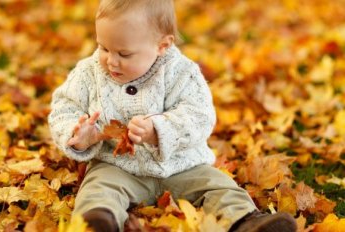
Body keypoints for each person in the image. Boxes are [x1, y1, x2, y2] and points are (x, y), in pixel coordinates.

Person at [48, 0, 297, 231]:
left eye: (124, 54)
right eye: (103, 47)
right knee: (98, 188)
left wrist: (159, 129)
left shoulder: (182, 73)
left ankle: (245, 221)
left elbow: (199, 115)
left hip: (181, 165)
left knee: (217, 185)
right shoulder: (88, 73)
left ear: (162, 46)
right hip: (118, 167)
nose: (111, 61)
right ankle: (98, 220)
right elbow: (64, 107)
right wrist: (76, 134)